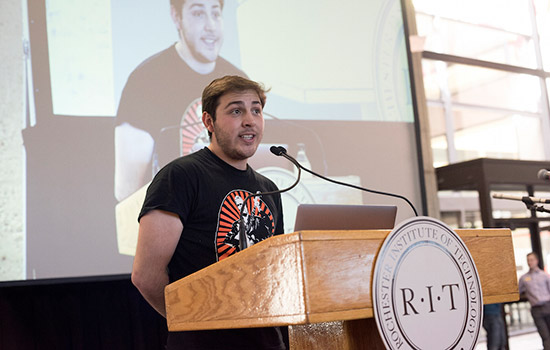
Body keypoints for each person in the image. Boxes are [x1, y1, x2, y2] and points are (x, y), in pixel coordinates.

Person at [131, 75, 286, 349]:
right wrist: (192, 320)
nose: (249, 120)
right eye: (236, 110)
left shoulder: (269, 188)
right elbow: (146, 275)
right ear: (208, 122)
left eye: (256, 110)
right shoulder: (181, 176)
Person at [115, 0, 246, 201]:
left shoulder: (239, 83)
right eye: (198, 13)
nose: (211, 25)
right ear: (177, 17)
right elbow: (127, 191)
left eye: (216, 13)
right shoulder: (145, 81)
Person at [519, 252, 550, 350]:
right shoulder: (524, 279)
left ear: (536, 261)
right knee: (545, 336)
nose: (530, 262)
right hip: (536, 310)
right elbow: (518, 292)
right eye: (528, 260)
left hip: (548, 307)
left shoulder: (544, 275)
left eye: (531, 260)